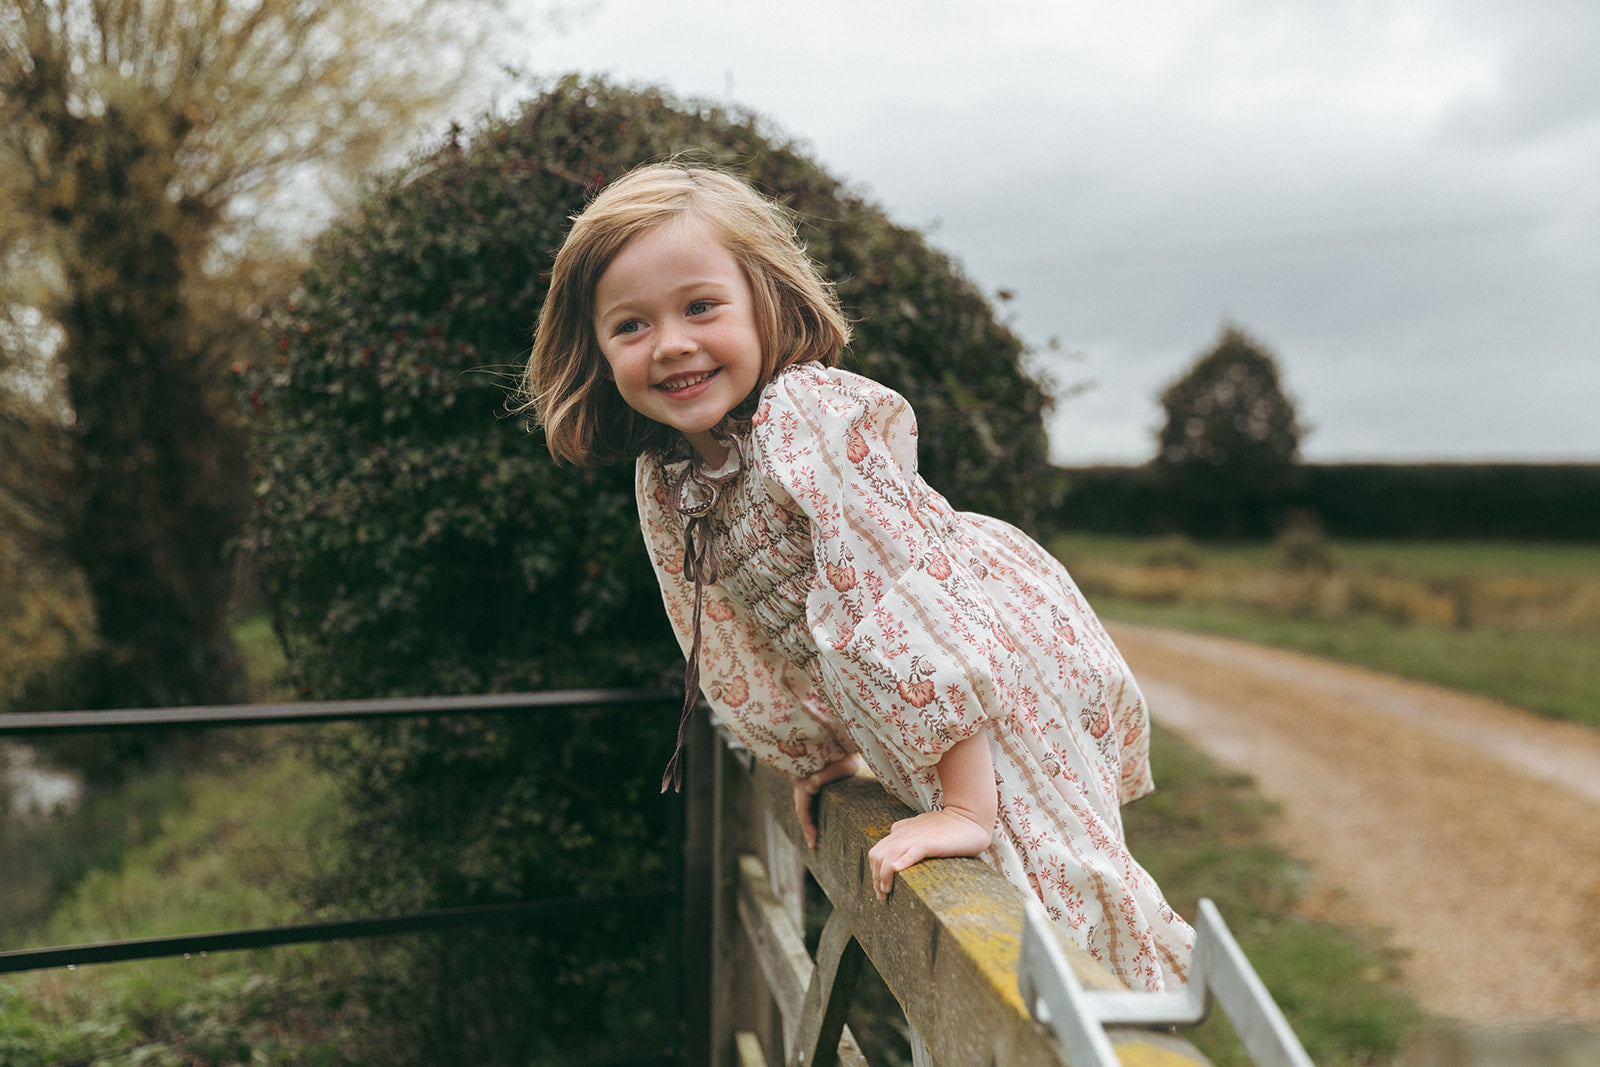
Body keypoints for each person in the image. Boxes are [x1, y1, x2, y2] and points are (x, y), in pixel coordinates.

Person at [520, 162, 1193, 991]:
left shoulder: (806, 419)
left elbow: (905, 604)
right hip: (931, 711)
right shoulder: (669, 479)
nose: (672, 344)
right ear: (594, 348)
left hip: (994, 668)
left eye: (701, 306)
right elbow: (727, 638)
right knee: (1018, 926)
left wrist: (965, 809)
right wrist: (816, 754)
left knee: (1047, 883)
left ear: (765, 303)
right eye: (631, 325)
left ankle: (1136, 1022)